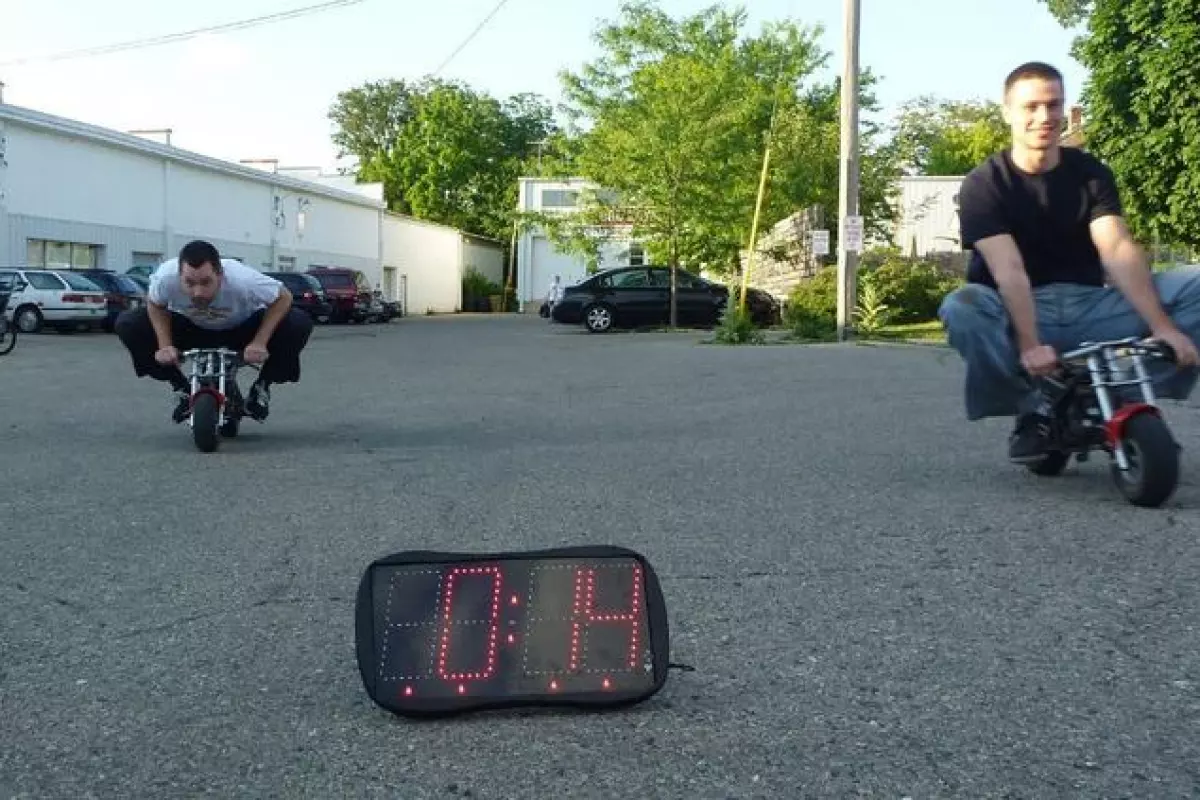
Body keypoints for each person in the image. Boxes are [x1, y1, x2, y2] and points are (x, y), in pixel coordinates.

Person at [938, 61, 1200, 463]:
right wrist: (1030, 346)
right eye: (1031, 107)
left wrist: (1163, 327)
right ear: (1008, 112)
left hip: (1090, 305)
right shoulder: (984, 184)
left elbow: (1115, 248)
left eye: (1054, 104)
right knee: (962, 306)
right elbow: (1010, 271)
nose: (1044, 117)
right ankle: (1033, 405)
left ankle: (1121, 397)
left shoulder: (1091, 173)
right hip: (1017, 311)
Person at [115, 239, 314, 423]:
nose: (198, 292)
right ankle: (181, 388)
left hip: (242, 329)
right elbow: (155, 303)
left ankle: (262, 387)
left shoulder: (242, 278)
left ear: (220, 274)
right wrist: (164, 345)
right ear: (179, 275)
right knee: (129, 323)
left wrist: (260, 341)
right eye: (189, 283)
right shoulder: (166, 278)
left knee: (298, 322)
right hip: (192, 328)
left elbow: (283, 297)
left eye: (205, 282)